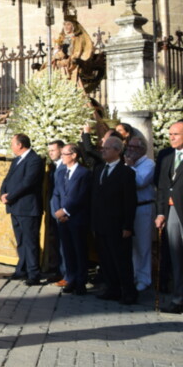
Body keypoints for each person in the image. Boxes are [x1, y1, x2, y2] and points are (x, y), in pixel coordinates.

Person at [91, 136, 137, 304]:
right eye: (103, 148)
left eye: (107, 148)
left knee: (121, 260)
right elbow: (94, 197)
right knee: (105, 259)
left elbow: (129, 202)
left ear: (118, 151)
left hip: (117, 224)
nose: (103, 150)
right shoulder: (99, 169)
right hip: (100, 223)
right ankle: (112, 288)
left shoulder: (126, 173)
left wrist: (128, 226)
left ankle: (128, 292)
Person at [0, 133, 44, 285]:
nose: (11, 146)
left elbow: (27, 183)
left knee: (30, 241)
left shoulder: (35, 160)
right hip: (15, 207)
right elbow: (7, 178)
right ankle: (22, 269)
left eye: (12, 143)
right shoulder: (17, 160)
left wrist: (10, 196)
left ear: (20, 145)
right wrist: (2, 193)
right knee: (20, 240)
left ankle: (34, 273)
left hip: (27, 207)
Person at [51, 144, 91, 295]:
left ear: (74, 155)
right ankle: (71, 278)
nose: (62, 157)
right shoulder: (61, 173)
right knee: (67, 251)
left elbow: (80, 196)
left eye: (64, 154)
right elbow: (56, 193)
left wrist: (66, 211)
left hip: (77, 218)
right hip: (62, 219)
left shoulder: (84, 173)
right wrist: (57, 211)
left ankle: (81, 281)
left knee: (79, 250)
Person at [155, 121, 183, 313]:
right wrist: (160, 212)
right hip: (172, 212)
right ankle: (178, 298)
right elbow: (163, 188)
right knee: (176, 257)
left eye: (176, 134)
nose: (171, 137)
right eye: (170, 134)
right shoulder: (167, 157)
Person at [124, 136, 155, 292]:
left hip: (143, 207)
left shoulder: (148, 164)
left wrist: (129, 168)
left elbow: (140, 182)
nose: (129, 149)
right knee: (132, 245)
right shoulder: (129, 164)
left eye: (133, 147)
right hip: (129, 208)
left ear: (142, 149)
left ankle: (144, 278)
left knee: (143, 245)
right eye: (128, 146)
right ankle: (134, 275)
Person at [44, 140, 65, 285]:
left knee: (65, 245)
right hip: (54, 210)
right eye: (49, 150)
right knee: (57, 243)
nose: (50, 153)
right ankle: (59, 271)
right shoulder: (53, 167)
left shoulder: (65, 167)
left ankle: (66, 273)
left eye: (53, 150)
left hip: (63, 212)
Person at [51, 14, 94, 84]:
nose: (66, 27)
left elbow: (78, 52)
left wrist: (69, 58)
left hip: (72, 63)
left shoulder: (78, 38)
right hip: (61, 61)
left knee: (62, 68)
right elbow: (59, 53)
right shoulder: (62, 38)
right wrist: (57, 52)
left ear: (73, 26)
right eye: (64, 25)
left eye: (68, 25)